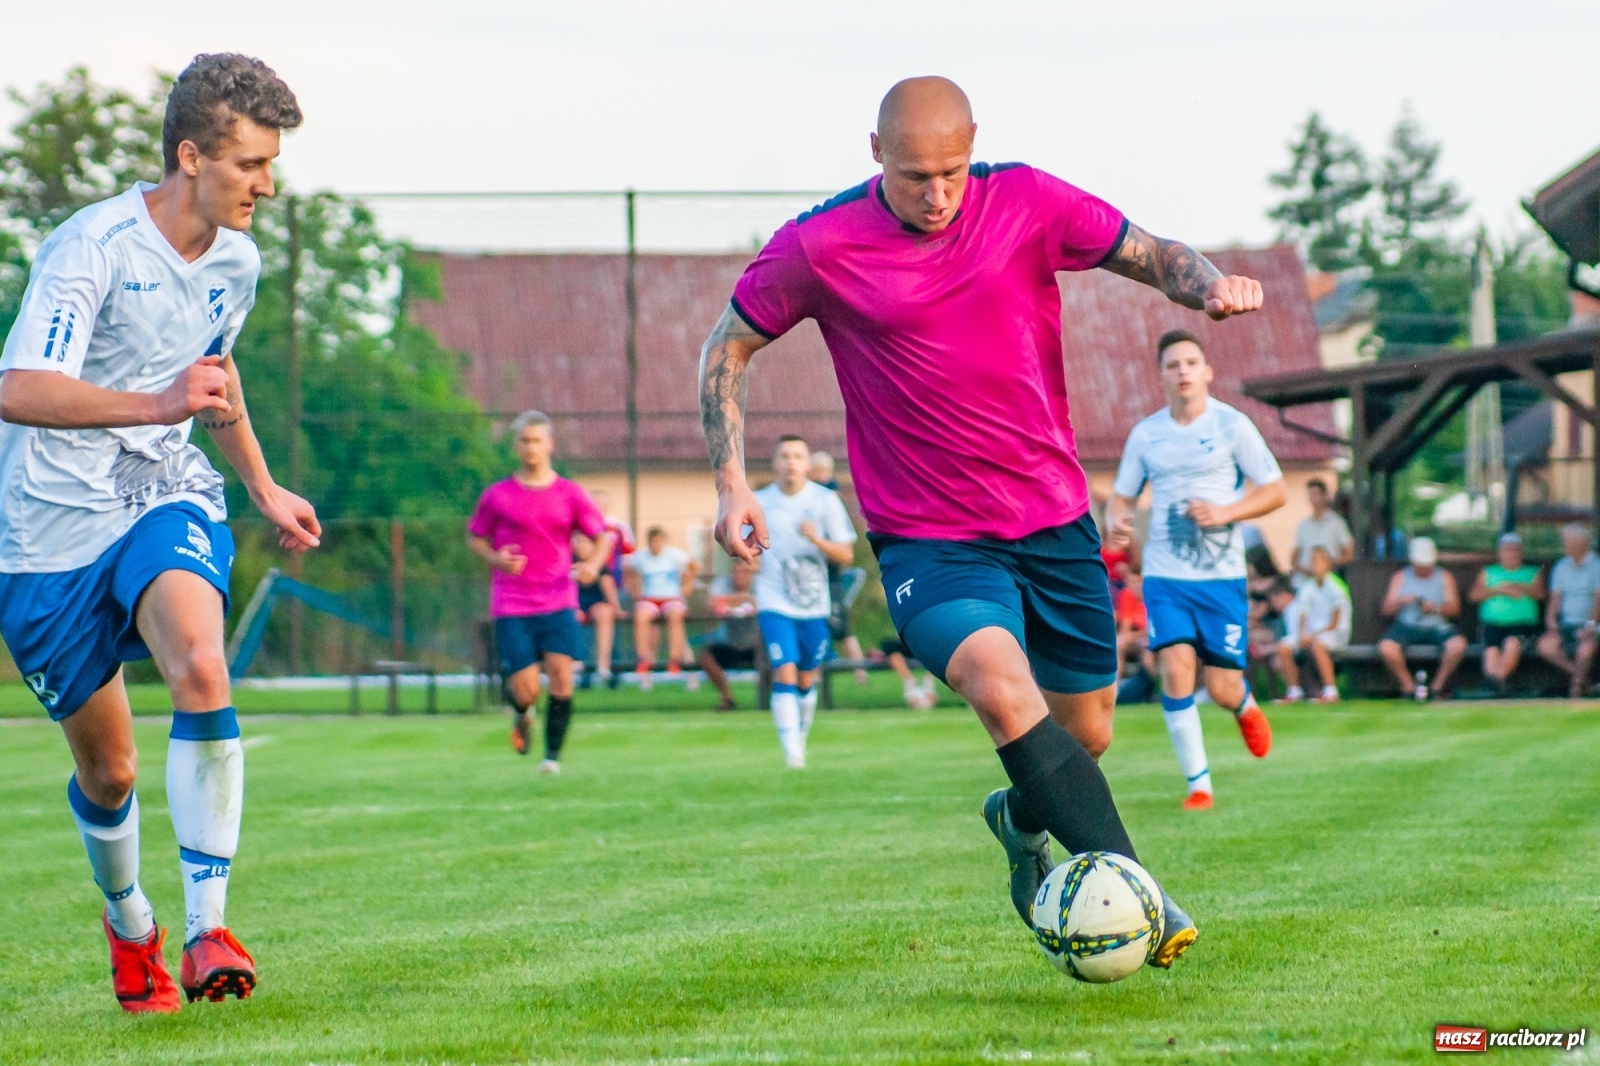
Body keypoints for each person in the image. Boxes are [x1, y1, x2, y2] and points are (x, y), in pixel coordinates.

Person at [699, 75, 1266, 966]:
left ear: (976, 145)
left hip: (1052, 521)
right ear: (875, 152)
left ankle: (1017, 816)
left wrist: (1205, 289)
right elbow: (728, 342)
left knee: (1085, 736)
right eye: (915, 175)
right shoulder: (819, 245)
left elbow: (1151, 252)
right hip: (930, 539)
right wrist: (731, 479)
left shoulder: (1029, 201)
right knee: (1003, 690)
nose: (936, 195)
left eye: (952, 172)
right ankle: (1137, 891)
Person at [0, 55, 315, 1012]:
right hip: (46, 533)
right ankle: (130, 923)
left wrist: (259, 484)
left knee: (201, 668)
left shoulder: (238, 257)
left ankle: (208, 931)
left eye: (271, 163)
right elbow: (18, 390)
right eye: (251, 164)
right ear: (190, 156)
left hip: (162, 494)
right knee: (111, 770)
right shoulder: (90, 247)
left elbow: (212, 375)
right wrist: (154, 400)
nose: (268, 183)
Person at [1108, 330, 1285, 811]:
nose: (1182, 371)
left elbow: (1276, 490)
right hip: (1166, 578)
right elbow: (1122, 495)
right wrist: (1115, 519)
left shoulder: (1233, 426)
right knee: (1176, 667)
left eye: (1191, 362)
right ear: (1162, 375)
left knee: (1223, 686)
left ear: (1207, 372)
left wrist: (1225, 513)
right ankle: (1198, 785)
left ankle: (1244, 704)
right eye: (1173, 364)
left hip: (1221, 578)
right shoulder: (1146, 434)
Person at [468, 412, 613, 772]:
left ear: (549, 444)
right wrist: (496, 558)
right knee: (527, 689)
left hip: (558, 600)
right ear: (516, 445)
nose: (531, 447)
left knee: (562, 678)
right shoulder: (498, 495)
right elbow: (474, 537)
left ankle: (551, 758)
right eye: (524, 441)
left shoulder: (570, 494)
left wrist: (593, 565)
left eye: (537, 440)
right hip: (512, 604)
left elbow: (603, 537)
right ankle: (522, 713)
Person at [753, 435, 857, 768]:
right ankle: (793, 754)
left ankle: (800, 736)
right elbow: (745, 549)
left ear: (808, 464)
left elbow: (845, 556)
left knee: (807, 675)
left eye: (798, 456)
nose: (791, 462)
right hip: (774, 600)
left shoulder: (825, 501)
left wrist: (815, 538)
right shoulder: (759, 502)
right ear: (774, 463)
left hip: (813, 603)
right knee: (783, 670)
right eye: (784, 455)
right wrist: (747, 557)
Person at [1376, 537, 1466, 700]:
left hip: (1437, 626)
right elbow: (1386, 609)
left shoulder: (1444, 577)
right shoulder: (1401, 577)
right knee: (1387, 647)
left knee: (1457, 645)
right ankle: (1408, 686)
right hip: (1406, 625)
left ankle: (1437, 687)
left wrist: (1435, 608)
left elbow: (1454, 610)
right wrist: (1402, 601)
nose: (1424, 569)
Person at [1468, 532, 1545, 694]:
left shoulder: (1532, 573)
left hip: (1521, 625)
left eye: (1514, 550)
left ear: (1520, 552)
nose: (1510, 554)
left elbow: (1540, 594)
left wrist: (1516, 586)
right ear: (1500, 552)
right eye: (1506, 550)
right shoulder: (1489, 572)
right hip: (1492, 623)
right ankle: (1496, 685)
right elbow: (1474, 596)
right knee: (1491, 648)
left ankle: (1493, 685)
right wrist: (1498, 589)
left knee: (1512, 642)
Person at [1274, 546, 1351, 703]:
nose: (1316, 564)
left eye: (1320, 560)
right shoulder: (1307, 586)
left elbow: (1335, 622)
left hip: (1334, 633)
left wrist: (1312, 636)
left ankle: (1330, 691)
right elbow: (1303, 613)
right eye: (1313, 560)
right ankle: (1294, 691)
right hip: (1311, 633)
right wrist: (1302, 635)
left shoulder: (1337, 587)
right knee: (1284, 646)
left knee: (1318, 644)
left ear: (1328, 564)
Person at [625, 527, 698, 689]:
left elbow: (693, 566)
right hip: (650, 600)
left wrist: (687, 584)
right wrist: (634, 589)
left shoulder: (675, 555)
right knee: (642, 618)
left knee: (675, 617)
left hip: (671, 599)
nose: (655, 545)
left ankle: (674, 660)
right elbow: (628, 570)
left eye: (658, 541)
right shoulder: (641, 558)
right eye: (652, 541)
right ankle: (642, 659)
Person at [574, 488, 634, 687]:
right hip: (583, 591)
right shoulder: (580, 527)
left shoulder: (617, 528)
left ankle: (611, 673)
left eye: (602, 503)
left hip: (612, 587)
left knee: (611, 628)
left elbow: (626, 559)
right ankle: (584, 674)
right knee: (585, 633)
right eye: (595, 503)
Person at [1538, 523, 1600, 698]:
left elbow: (1598, 601)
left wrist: (1590, 626)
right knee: (1546, 646)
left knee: (1585, 649)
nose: (1564, 545)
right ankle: (1581, 679)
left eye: (1567, 541)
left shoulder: (1597, 566)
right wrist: (1551, 622)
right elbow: (1555, 599)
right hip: (1567, 624)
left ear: (1581, 543)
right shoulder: (1561, 567)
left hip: (1591, 625)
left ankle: (1576, 688)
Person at [694, 558, 762, 711]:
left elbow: (761, 603)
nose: (739, 576)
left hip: (757, 644)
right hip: (730, 643)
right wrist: (743, 599)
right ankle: (727, 697)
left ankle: (769, 699)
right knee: (706, 657)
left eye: (744, 572)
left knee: (774, 657)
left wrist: (730, 601)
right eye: (736, 572)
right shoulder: (722, 583)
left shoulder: (761, 585)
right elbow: (711, 603)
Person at [1291, 478, 1354, 578]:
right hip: (1306, 580)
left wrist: (1329, 564)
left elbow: (1349, 553)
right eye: (1310, 494)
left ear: (1324, 495)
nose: (1312, 498)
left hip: (1330, 578)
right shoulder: (1303, 525)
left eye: (1316, 494)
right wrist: (1305, 569)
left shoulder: (1337, 523)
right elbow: (1294, 557)